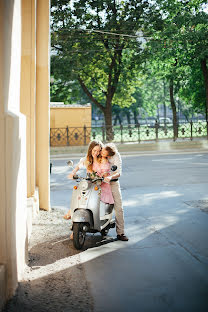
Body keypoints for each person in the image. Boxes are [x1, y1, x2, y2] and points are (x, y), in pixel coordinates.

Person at [63, 140, 103, 220]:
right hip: (88, 182)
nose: (96, 153)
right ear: (90, 149)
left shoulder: (101, 160)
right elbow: (78, 166)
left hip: (98, 183)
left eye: (98, 151)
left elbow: (103, 171)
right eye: (94, 150)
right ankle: (71, 212)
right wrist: (73, 173)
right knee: (78, 192)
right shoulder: (87, 159)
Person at [101, 143, 129, 241]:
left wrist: (110, 176)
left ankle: (120, 233)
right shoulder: (100, 152)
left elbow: (118, 172)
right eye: (102, 150)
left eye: (104, 152)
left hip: (113, 183)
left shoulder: (116, 155)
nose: (101, 152)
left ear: (109, 155)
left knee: (119, 208)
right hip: (100, 183)